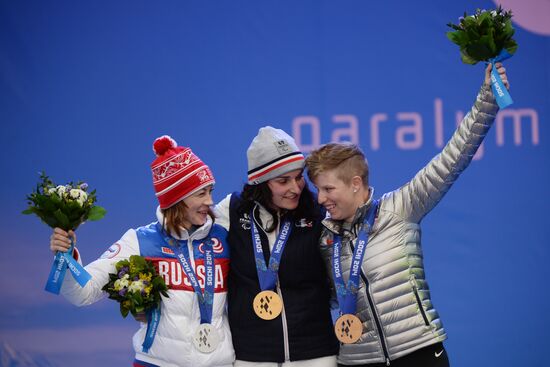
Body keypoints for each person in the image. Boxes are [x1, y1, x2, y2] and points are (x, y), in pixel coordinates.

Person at [304, 63, 509, 367]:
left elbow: (454, 156)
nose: (320, 198)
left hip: (419, 353)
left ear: (356, 183)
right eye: (318, 190)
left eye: (328, 189)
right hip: (357, 360)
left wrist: (488, 99)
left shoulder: (400, 208)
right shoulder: (322, 238)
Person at [49, 135, 235, 367]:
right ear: (176, 200)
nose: (210, 201)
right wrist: (66, 257)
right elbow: (82, 292)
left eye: (210, 191)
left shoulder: (223, 232)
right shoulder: (139, 241)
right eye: (201, 194)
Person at [215, 126, 339, 366]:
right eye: (283, 180)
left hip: (315, 351)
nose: (295, 188)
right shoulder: (232, 210)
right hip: (252, 354)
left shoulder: (318, 210)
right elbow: (184, 231)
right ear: (260, 182)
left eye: (299, 177)